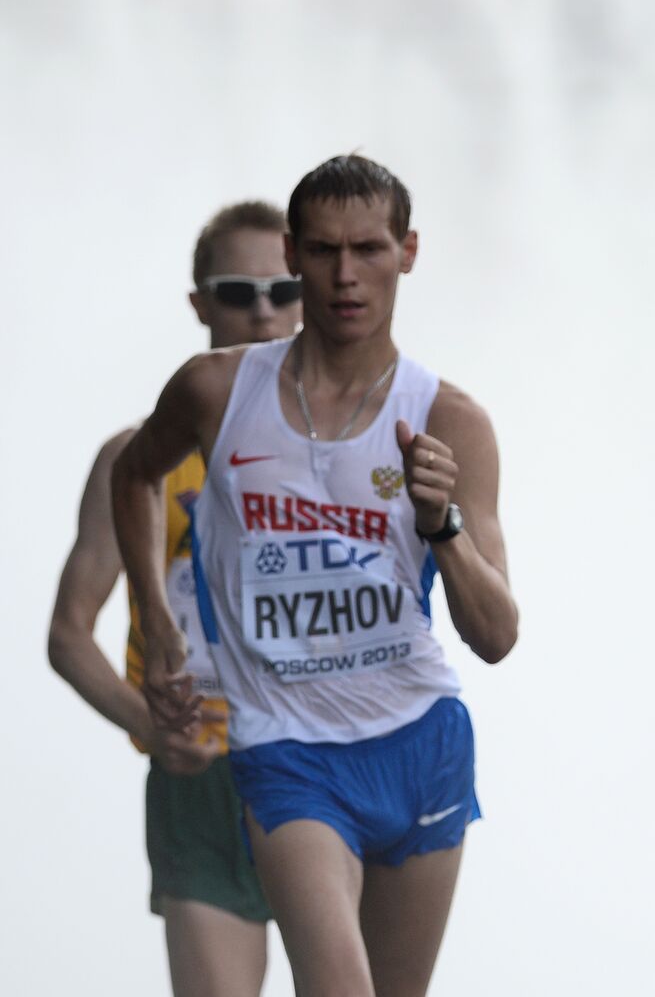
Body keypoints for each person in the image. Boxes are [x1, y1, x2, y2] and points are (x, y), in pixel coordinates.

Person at [111, 154, 518, 997]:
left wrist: (439, 524)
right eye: (325, 251)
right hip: (285, 748)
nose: (345, 275)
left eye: (368, 248)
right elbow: (134, 474)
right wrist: (157, 625)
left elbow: (496, 635)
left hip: (417, 740)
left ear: (407, 251)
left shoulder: (450, 419)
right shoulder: (216, 390)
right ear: (293, 254)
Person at [49, 200, 300, 996]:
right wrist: (146, 726)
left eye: (284, 287)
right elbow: (68, 634)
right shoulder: (134, 460)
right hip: (200, 776)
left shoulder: (355, 446)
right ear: (199, 303)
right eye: (237, 290)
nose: (263, 310)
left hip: (325, 765)